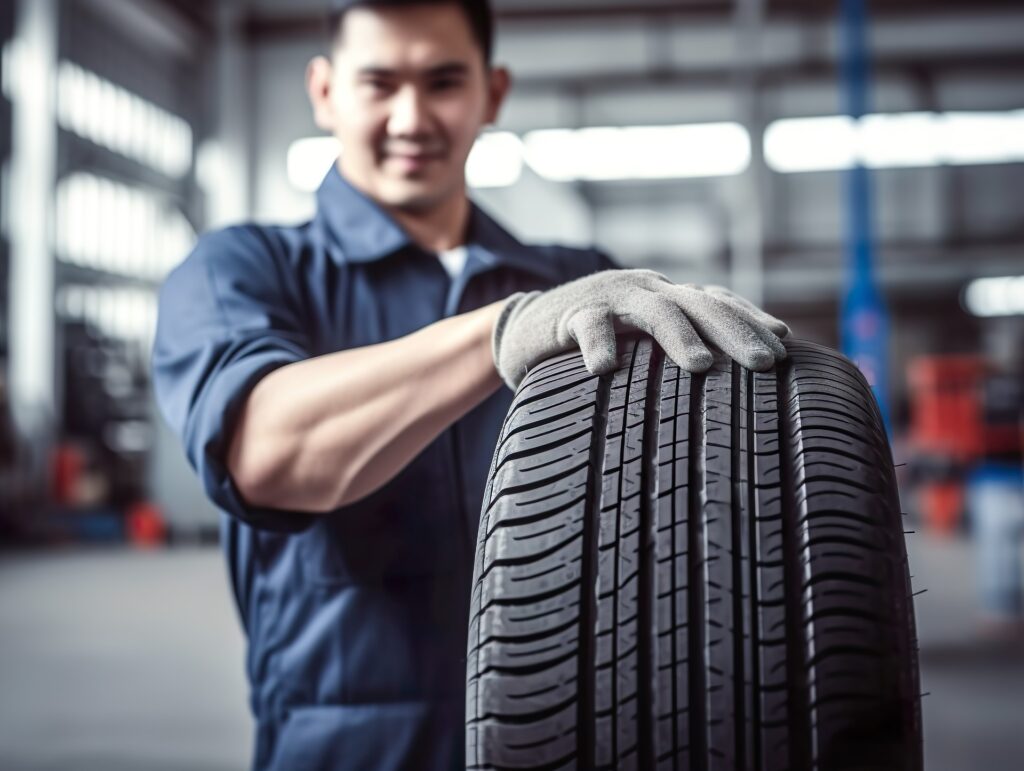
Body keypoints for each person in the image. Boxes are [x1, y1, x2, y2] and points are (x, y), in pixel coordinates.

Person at [151, 1, 790, 769]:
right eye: (379, 83)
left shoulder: (580, 279)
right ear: (324, 93)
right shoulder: (242, 270)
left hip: (572, 741)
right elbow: (264, 451)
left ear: (492, 93)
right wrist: (501, 333)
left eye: (443, 82)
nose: (412, 116)